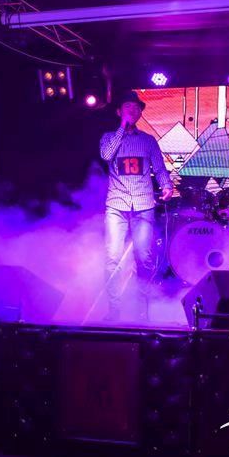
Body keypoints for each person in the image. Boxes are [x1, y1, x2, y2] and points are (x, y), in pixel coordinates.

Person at [99, 92, 173, 321]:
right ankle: (114, 310)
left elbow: (159, 168)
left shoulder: (148, 141)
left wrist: (167, 185)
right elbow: (106, 155)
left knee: (144, 257)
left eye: (136, 108)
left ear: (141, 113)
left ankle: (143, 310)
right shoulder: (108, 137)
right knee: (112, 258)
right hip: (116, 206)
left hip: (143, 205)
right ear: (118, 111)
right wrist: (122, 127)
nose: (132, 111)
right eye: (128, 107)